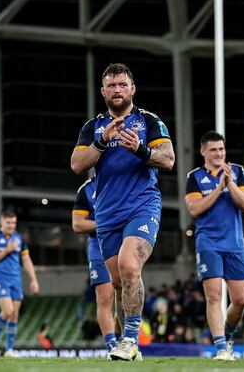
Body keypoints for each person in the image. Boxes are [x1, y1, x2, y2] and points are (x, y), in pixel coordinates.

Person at [70, 63, 175, 361]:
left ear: (132, 89)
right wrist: (102, 142)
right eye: (111, 85)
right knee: (117, 283)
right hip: (106, 214)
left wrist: (141, 149)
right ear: (103, 91)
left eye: (122, 84)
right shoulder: (93, 127)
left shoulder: (149, 121)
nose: (117, 89)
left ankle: (130, 340)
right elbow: (77, 165)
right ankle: (126, 344)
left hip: (142, 206)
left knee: (130, 267)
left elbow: (168, 159)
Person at [185, 131, 244, 360]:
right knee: (214, 296)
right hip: (209, 243)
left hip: (235, 244)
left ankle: (228, 336)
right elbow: (194, 209)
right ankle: (221, 348)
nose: (219, 153)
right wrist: (218, 188)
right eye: (213, 150)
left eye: (221, 149)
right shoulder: (194, 177)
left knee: (241, 300)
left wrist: (229, 184)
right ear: (203, 151)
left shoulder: (238, 172)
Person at [0, 210, 40, 357]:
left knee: (14, 314)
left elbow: (26, 260)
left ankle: (9, 349)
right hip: (1, 278)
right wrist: (6, 251)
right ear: (1, 222)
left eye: (13, 223)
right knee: (7, 311)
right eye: (8, 222)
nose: (11, 225)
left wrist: (33, 279)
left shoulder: (19, 238)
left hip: (16, 278)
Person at [72, 177, 117, 352]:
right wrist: (105, 225)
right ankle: (112, 345)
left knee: (125, 295)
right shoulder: (87, 189)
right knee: (105, 299)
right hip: (99, 248)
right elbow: (77, 224)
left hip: (124, 244)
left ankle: (128, 339)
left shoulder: (126, 180)